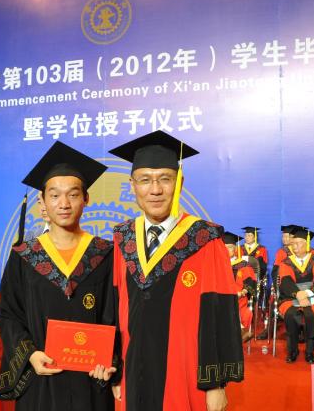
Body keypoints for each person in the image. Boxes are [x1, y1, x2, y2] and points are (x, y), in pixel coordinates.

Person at [102, 131, 244, 411]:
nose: (155, 190)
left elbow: (219, 312)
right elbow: (114, 308)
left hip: (184, 372)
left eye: (165, 179)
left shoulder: (204, 239)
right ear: (132, 185)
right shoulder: (123, 238)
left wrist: (215, 384)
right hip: (133, 370)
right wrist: (116, 368)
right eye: (145, 180)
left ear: (180, 182)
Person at [0, 141, 116, 410]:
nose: (64, 204)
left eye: (73, 194)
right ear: (42, 202)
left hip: (91, 380)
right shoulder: (25, 256)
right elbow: (8, 313)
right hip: (42, 378)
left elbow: (117, 313)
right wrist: (30, 354)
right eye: (54, 195)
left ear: (86, 199)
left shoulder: (104, 253)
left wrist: (111, 358)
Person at [277, 228, 314, 364]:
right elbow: (286, 281)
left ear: (307, 244)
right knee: (291, 314)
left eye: (298, 243)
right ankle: (292, 351)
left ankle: (309, 352)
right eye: (292, 244)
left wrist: (306, 293)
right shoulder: (286, 262)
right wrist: (298, 294)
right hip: (291, 296)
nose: (294, 247)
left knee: (312, 315)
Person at [223, 231, 257, 342]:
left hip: (239, 298)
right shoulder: (216, 264)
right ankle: (241, 331)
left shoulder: (243, 265)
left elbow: (250, 282)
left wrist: (243, 292)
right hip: (221, 296)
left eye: (230, 247)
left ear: (235, 249)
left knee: (233, 305)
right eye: (224, 248)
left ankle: (236, 335)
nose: (226, 250)